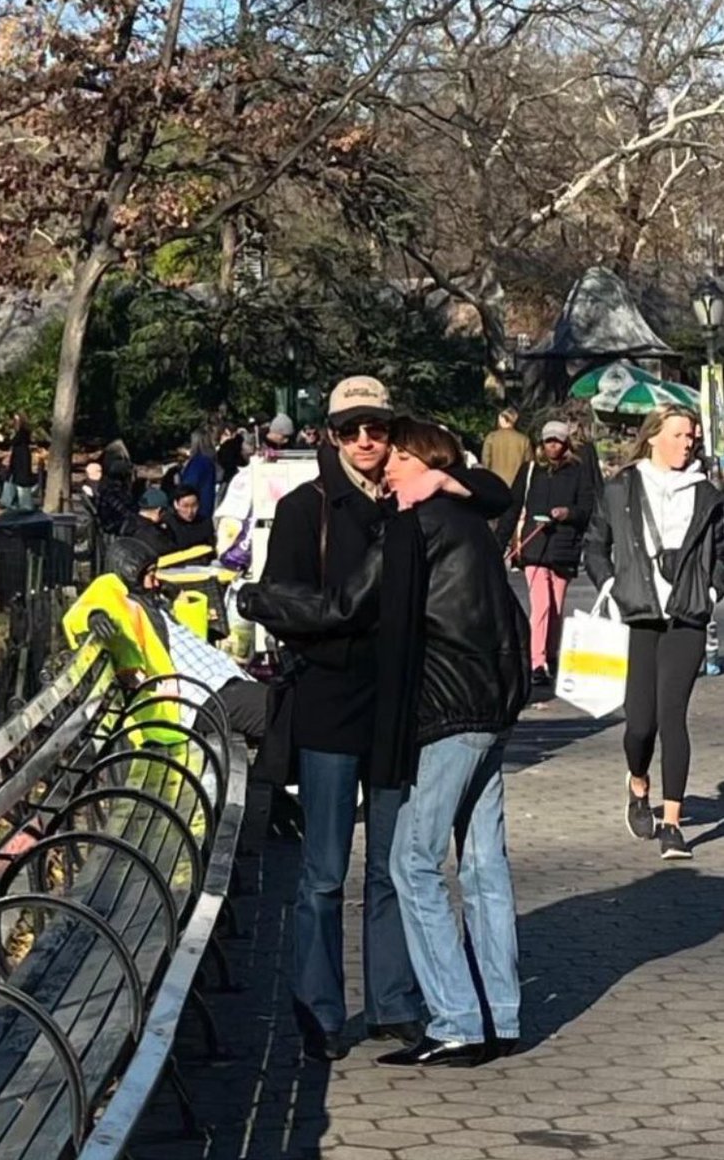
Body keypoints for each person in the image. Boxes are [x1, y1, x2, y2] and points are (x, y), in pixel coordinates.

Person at [242, 417, 529, 1068]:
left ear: (421, 462)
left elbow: (343, 604)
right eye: (355, 435)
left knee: (409, 865)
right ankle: (497, 1013)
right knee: (482, 865)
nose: (380, 456)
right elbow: (494, 498)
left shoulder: (412, 522)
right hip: (486, 706)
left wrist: (256, 600)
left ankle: (452, 1018)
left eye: (394, 448)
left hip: (439, 711)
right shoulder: (460, 520)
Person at [584, 406, 724, 861]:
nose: (690, 442)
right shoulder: (622, 487)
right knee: (639, 724)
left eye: (693, 436)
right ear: (654, 437)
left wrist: (712, 586)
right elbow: (595, 542)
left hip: (687, 614)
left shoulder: (707, 493)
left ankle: (672, 823)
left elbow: (722, 549)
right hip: (641, 613)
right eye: (681, 434)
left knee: (672, 717)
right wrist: (610, 582)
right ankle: (638, 782)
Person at [82, 537, 268, 741]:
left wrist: (177, 595)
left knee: (286, 710)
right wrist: (94, 617)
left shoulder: (154, 603)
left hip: (220, 683)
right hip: (200, 696)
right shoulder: (118, 599)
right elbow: (87, 607)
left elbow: (195, 624)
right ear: (131, 574)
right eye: (150, 574)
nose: (155, 581)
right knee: (283, 715)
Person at [496, 420, 594, 686]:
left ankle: (551, 655)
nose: (552, 446)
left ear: (566, 444)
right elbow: (512, 507)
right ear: (541, 443)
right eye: (548, 441)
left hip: (564, 547)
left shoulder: (578, 471)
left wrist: (568, 513)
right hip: (534, 545)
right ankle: (537, 662)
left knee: (556, 607)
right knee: (542, 604)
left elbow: (587, 508)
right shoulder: (529, 471)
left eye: (558, 441)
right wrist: (499, 543)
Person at [481, 407, 533, 489]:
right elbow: (529, 466)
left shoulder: (491, 437)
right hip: (517, 486)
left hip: (495, 485)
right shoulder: (524, 440)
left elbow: (486, 463)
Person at [180, 428, 218, 520]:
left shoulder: (198, 462)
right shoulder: (211, 462)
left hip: (196, 509)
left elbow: (188, 485)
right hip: (208, 506)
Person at [1, 413, 36, 511]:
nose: (15, 422)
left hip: (21, 459)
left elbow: (14, 442)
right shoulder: (19, 432)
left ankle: (25, 505)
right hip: (18, 458)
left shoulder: (23, 432)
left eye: (17, 420)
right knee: (13, 480)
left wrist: (5, 440)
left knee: (22, 482)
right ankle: (10, 501)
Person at [165, 485, 216, 553]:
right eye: (185, 506)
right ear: (176, 504)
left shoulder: (205, 523)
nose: (190, 511)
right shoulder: (168, 524)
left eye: (194, 506)